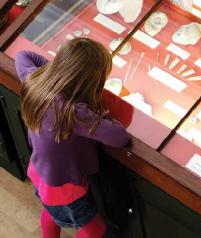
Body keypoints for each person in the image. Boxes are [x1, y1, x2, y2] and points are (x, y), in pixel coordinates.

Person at [15, 38, 130, 238]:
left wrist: (57, 73)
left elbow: (22, 55)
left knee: (50, 213)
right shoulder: (75, 112)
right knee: (96, 231)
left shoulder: (35, 81)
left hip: (39, 173)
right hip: (66, 190)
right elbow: (119, 137)